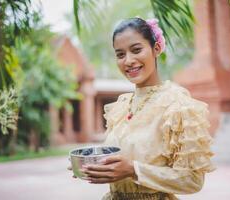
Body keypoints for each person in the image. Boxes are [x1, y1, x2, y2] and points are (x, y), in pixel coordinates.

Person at [73, 17, 215, 200]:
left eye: (136, 50)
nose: (128, 61)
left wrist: (134, 170)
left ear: (156, 49)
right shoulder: (121, 106)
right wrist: (90, 166)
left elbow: (192, 180)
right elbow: (117, 161)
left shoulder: (178, 105)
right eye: (120, 54)